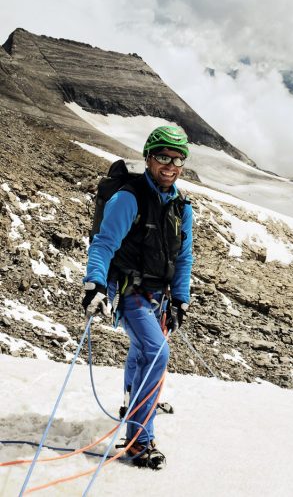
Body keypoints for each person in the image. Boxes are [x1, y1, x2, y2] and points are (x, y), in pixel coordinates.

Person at [82, 125, 193, 469]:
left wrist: (180, 298)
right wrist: (95, 284)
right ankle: (138, 442)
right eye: (163, 156)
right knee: (156, 352)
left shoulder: (181, 207)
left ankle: (135, 403)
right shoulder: (128, 198)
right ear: (148, 157)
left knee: (141, 349)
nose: (170, 165)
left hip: (160, 295)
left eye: (178, 159)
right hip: (130, 291)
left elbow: (185, 256)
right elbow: (104, 243)